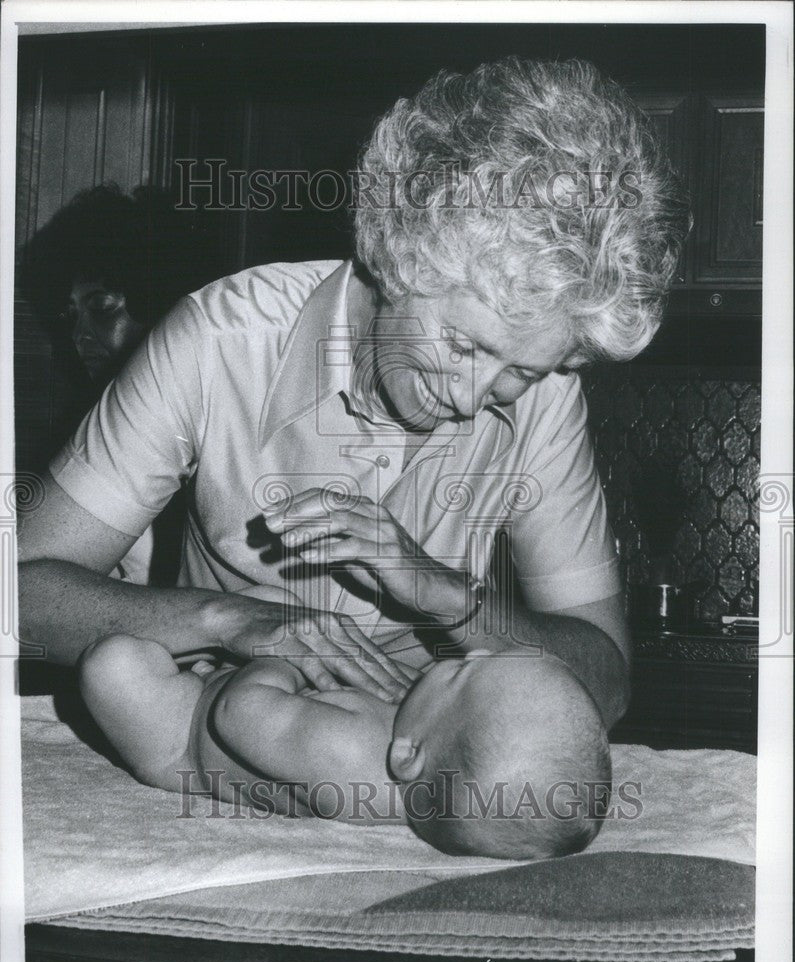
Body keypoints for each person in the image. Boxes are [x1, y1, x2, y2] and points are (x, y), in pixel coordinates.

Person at [19, 58, 691, 724]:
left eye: (523, 370)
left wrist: (451, 599)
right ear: (392, 251)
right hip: (231, 731)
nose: (471, 397)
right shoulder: (219, 341)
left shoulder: (543, 393)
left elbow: (605, 684)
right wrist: (229, 620)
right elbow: (16, 598)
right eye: (463, 345)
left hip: (417, 756)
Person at [77, 626, 611, 860]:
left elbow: (239, 714)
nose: (468, 655)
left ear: (408, 755)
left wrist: (277, 655)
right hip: (220, 688)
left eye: (460, 677)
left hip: (181, 735)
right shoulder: (415, 748)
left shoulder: (349, 755)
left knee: (113, 662)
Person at [22, 183, 213, 584]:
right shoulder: (87, 434)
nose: (80, 336)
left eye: (102, 307)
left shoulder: (214, 421)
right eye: (71, 315)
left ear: (158, 297)